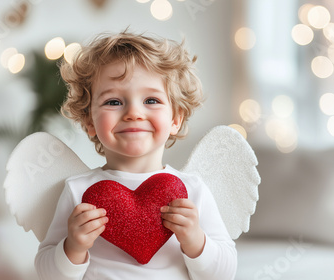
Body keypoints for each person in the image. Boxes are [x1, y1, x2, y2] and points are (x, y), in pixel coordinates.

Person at [35, 30, 237, 280]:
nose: (133, 113)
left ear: (175, 119)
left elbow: (225, 273)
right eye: (113, 102)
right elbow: (46, 272)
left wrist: (195, 240)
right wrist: (72, 248)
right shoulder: (78, 192)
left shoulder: (192, 191)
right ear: (89, 121)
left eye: (151, 100)